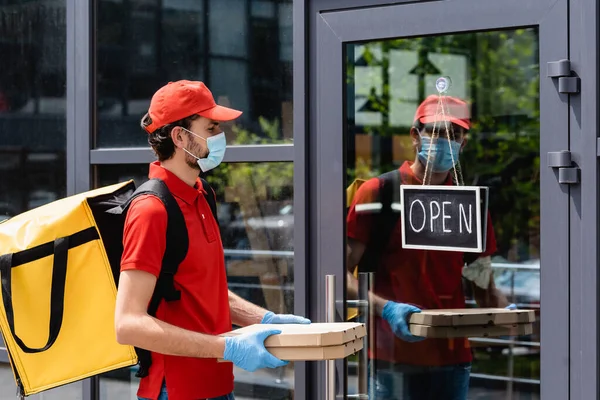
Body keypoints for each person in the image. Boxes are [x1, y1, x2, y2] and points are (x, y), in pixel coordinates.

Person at [114, 80, 310, 400]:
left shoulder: (203, 194)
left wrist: (266, 320)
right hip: (175, 391)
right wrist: (228, 346)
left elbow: (202, 288)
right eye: (212, 127)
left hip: (217, 387)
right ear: (180, 136)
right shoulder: (151, 210)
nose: (221, 137)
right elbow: (128, 324)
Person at [346, 95, 513, 400]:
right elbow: (340, 276)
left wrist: (506, 312)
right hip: (390, 359)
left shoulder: (470, 207)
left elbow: (482, 283)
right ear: (414, 135)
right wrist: (388, 309)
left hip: (452, 360)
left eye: (455, 133)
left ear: (463, 143)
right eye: (435, 131)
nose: (444, 140)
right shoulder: (379, 193)